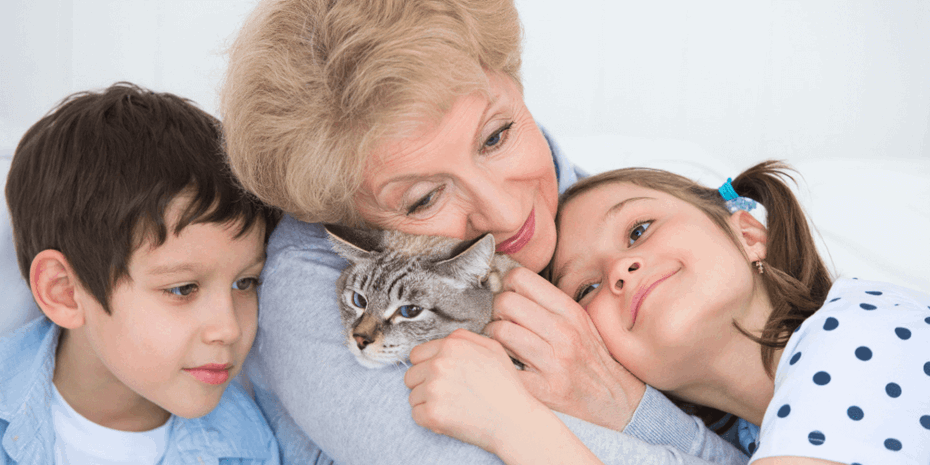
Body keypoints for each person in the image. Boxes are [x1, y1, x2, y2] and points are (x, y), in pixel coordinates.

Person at [221, 1, 747, 464]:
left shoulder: (602, 207)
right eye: (424, 198)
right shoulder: (309, 287)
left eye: (496, 137)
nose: (504, 212)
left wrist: (622, 405)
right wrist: (638, 416)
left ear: (514, 83)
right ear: (346, 219)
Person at [406, 160, 930, 465]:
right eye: (586, 288)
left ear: (748, 234)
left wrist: (513, 426)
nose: (620, 270)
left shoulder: (860, 331)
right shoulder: (754, 441)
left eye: (639, 229)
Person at [0, 83, 283, 464]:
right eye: (183, 289)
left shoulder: (251, 448)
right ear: (64, 291)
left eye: (244, 283)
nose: (229, 329)